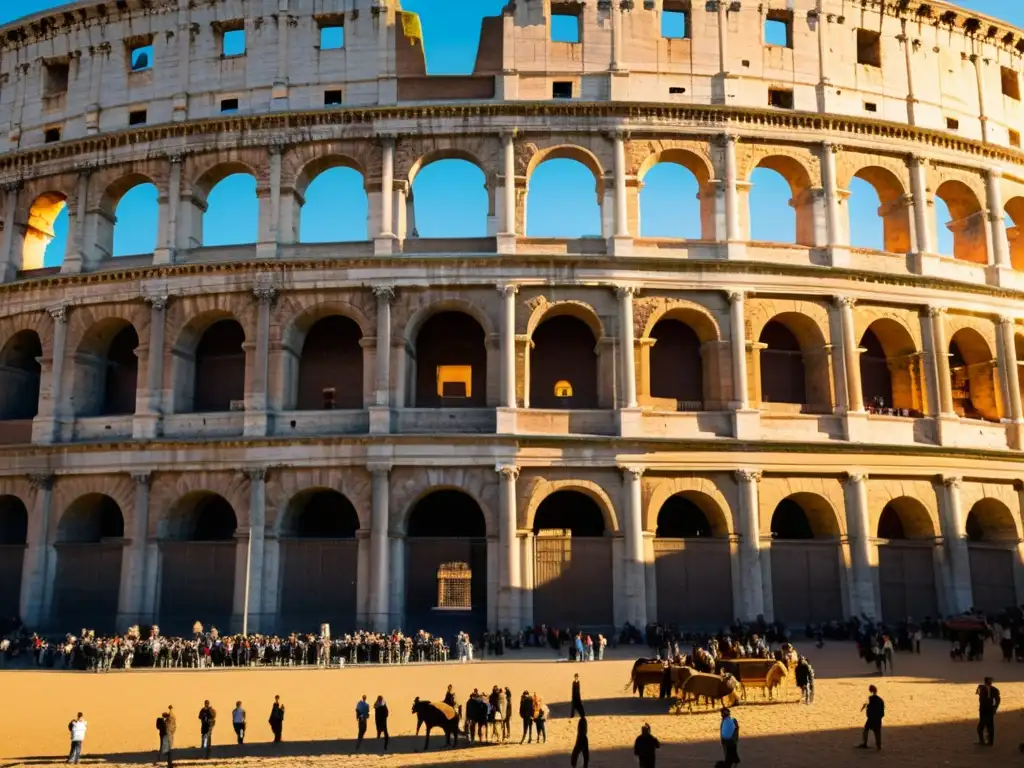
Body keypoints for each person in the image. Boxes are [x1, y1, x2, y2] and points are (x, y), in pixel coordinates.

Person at [857, 684, 884, 750]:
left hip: (871, 718)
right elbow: (882, 711)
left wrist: (865, 710)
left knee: (866, 730)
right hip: (878, 718)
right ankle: (878, 746)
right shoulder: (880, 700)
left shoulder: (870, 698)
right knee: (877, 732)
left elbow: (866, 705)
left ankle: (864, 743)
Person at [976, 676, 1000, 746]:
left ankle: (984, 742)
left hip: (985, 709)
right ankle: (989, 742)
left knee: (981, 727)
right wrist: (995, 707)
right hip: (987, 709)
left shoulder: (981, 687)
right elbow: (998, 699)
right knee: (989, 726)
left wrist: (995, 707)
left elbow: (979, 694)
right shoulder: (993, 689)